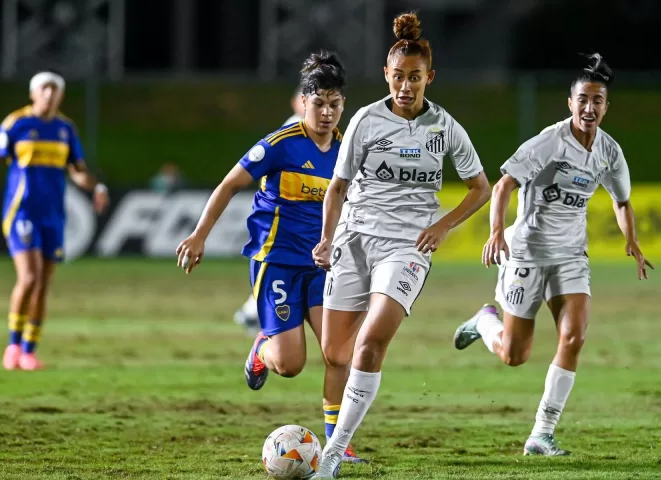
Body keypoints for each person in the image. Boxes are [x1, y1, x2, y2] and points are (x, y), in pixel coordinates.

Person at [311, 12, 491, 477]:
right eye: (398, 78)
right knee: (335, 353)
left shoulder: (444, 128)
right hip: (353, 240)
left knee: (370, 344)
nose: (406, 87)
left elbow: (480, 188)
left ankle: (333, 454)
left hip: (407, 248)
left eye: (415, 78)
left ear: (429, 77)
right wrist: (327, 238)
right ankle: (345, 422)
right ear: (386, 76)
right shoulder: (366, 122)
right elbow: (337, 187)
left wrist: (443, 225)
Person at [452, 53, 654, 456]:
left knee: (574, 337)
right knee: (514, 355)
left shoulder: (609, 152)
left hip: (571, 257)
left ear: (606, 106)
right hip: (526, 253)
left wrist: (631, 239)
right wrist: (496, 232)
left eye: (597, 100)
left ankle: (541, 433)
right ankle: (485, 320)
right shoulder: (549, 141)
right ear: (570, 103)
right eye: (582, 99)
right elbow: (504, 184)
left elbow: (622, 200)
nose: (589, 108)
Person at [175, 51, 366, 464]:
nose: (327, 112)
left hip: (322, 266)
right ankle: (263, 349)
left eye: (335, 104)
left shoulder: (349, 148)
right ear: (304, 102)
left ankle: (338, 443)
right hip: (276, 261)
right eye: (319, 103)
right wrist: (199, 235)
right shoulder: (280, 145)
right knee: (291, 364)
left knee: (339, 353)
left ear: (342, 105)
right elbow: (229, 185)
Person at [0, 70, 109, 371]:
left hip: (53, 215)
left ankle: (29, 351)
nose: (49, 93)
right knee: (28, 278)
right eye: (44, 88)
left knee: (43, 284)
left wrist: (95, 186)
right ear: (33, 94)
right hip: (22, 212)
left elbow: (77, 169)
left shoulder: (65, 129)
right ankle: (13, 346)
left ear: (61, 95)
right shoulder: (16, 123)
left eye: (55, 89)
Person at [233, 86, 307, 337]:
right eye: (304, 99)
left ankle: (253, 313)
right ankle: (259, 318)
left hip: (299, 215)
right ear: (296, 102)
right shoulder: (294, 127)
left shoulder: (314, 130)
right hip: (288, 216)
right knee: (281, 269)